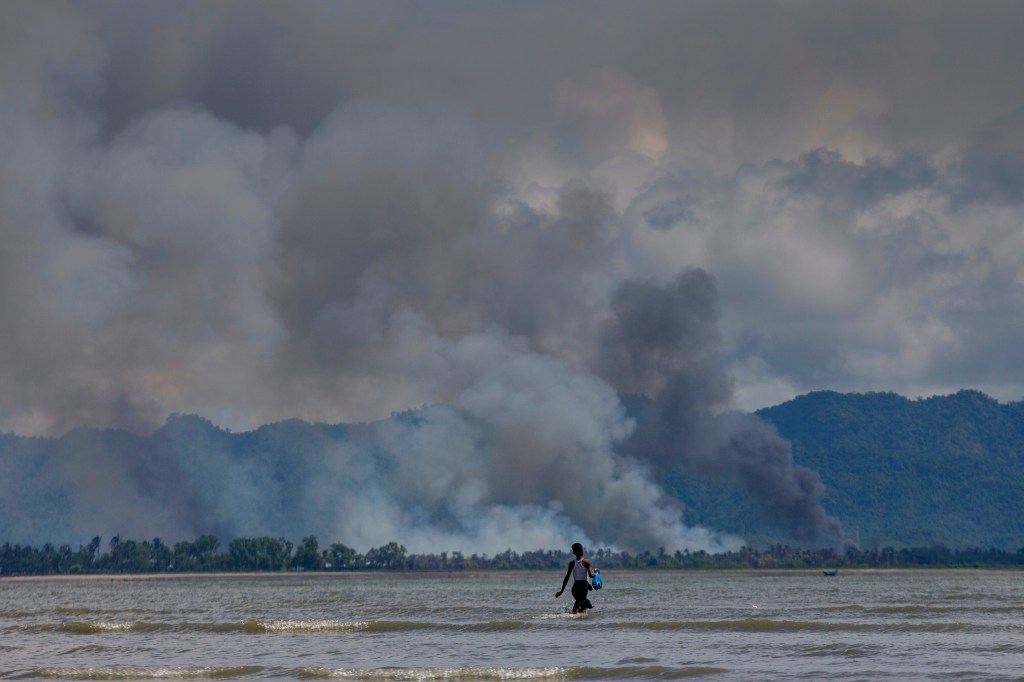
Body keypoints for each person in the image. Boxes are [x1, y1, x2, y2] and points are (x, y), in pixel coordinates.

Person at [555, 542, 595, 613]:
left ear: (574, 552)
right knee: (582, 603)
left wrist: (561, 591)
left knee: (582, 603)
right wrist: (597, 572)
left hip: (575, 588)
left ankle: (576, 613)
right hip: (583, 587)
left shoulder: (572, 563)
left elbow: (567, 578)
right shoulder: (587, 562)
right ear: (582, 550)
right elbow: (591, 575)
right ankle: (574, 613)